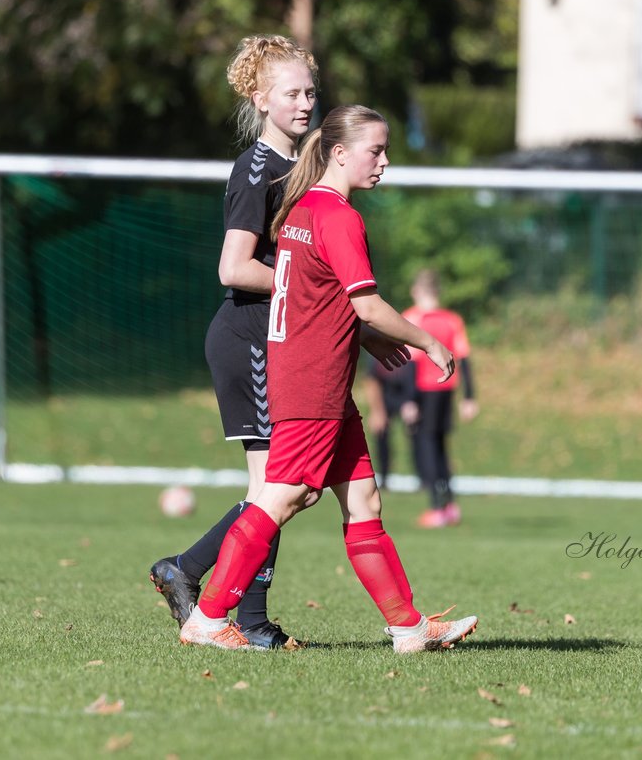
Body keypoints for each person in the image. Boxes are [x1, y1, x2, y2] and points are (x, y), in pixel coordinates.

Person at [177, 105, 479, 653]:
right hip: (312, 381)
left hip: (317, 378)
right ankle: (208, 615)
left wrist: (367, 338)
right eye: (376, 150)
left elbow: (321, 300)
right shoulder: (338, 216)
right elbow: (365, 304)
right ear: (340, 153)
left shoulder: (302, 209)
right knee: (282, 498)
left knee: (363, 502)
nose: (384, 162)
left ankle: (408, 628)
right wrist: (428, 340)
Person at [149, 35, 319, 650]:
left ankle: (189, 572)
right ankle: (247, 619)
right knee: (275, 488)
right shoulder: (256, 168)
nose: (305, 103)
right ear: (260, 98)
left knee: (282, 489)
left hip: (277, 340)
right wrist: (307, 289)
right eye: (292, 93)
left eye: (309, 91)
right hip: (248, 336)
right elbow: (234, 267)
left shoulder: (298, 166)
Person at [402, 269, 478, 527]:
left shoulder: (412, 318)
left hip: (423, 390)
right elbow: (464, 359)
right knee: (441, 446)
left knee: (426, 446)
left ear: (418, 291)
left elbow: (410, 364)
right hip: (447, 390)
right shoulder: (452, 320)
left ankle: (436, 507)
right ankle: (450, 504)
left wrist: (409, 400)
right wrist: (469, 397)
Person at [362, 355, 415, 490]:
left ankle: (425, 479)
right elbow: (371, 381)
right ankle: (384, 477)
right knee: (381, 434)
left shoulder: (411, 349)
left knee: (418, 433)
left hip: (407, 397)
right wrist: (377, 411)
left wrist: (413, 403)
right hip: (385, 398)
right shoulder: (376, 350)